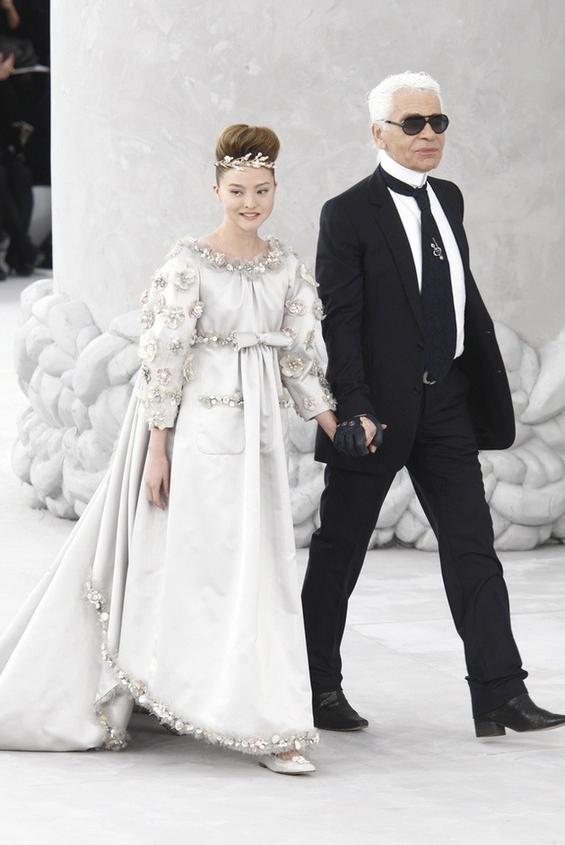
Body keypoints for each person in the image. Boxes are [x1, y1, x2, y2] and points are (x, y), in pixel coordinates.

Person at [0, 123, 338, 775]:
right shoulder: (189, 263)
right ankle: (218, 704)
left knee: (257, 568)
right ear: (216, 190)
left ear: (275, 189)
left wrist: (331, 421)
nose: (250, 203)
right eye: (237, 190)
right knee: (201, 567)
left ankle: (265, 714)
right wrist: (158, 448)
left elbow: (297, 357)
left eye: (261, 190)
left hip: (258, 440)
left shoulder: (285, 266)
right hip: (198, 431)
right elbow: (164, 358)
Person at [302, 71, 565, 738]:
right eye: (413, 123)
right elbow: (340, 321)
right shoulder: (346, 212)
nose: (428, 134)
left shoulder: (449, 198)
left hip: (445, 403)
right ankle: (315, 685)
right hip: (374, 411)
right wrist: (355, 406)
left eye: (437, 122)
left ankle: (500, 694)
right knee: (339, 551)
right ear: (378, 133)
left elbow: (452, 297)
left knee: (473, 546)